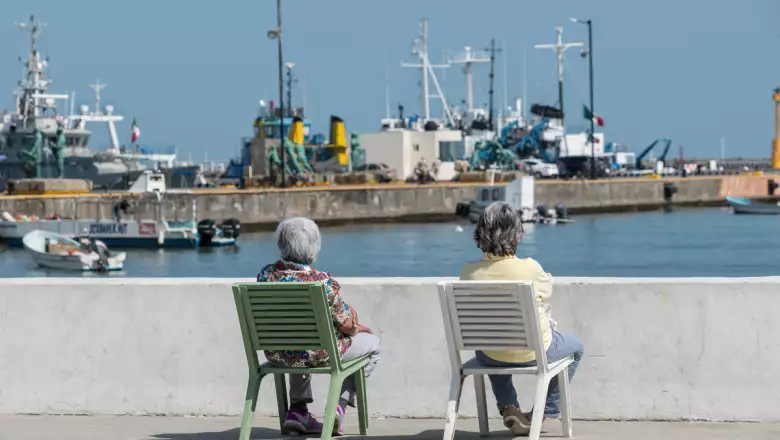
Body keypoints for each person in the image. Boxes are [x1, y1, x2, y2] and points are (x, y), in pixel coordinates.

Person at [459, 202, 583, 436]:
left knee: (491, 346)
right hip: (533, 352)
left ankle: (509, 406)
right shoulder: (529, 268)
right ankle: (544, 413)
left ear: (481, 233)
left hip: (490, 356)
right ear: (516, 234)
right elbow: (546, 292)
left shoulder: (468, 272)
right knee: (576, 347)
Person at [257, 217, 380, 436]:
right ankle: (339, 407)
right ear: (314, 246)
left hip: (278, 353)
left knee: (297, 340)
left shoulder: (265, 275)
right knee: (373, 344)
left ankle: (298, 411)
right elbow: (345, 325)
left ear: (281, 244)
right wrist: (356, 327)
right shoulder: (321, 282)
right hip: (317, 354)